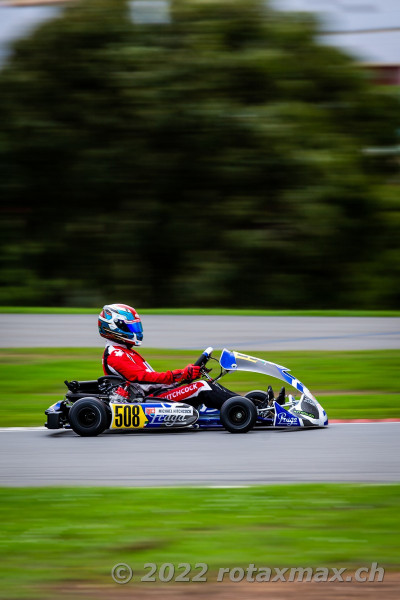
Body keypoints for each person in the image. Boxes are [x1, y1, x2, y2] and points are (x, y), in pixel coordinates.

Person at [98, 303, 240, 409]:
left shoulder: (125, 351)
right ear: (115, 328)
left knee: (207, 385)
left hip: (157, 394)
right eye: (131, 327)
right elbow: (146, 380)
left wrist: (185, 377)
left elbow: (153, 381)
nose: (136, 331)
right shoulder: (116, 355)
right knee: (202, 387)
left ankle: (247, 404)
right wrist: (181, 375)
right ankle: (243, 408)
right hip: (148, 401)